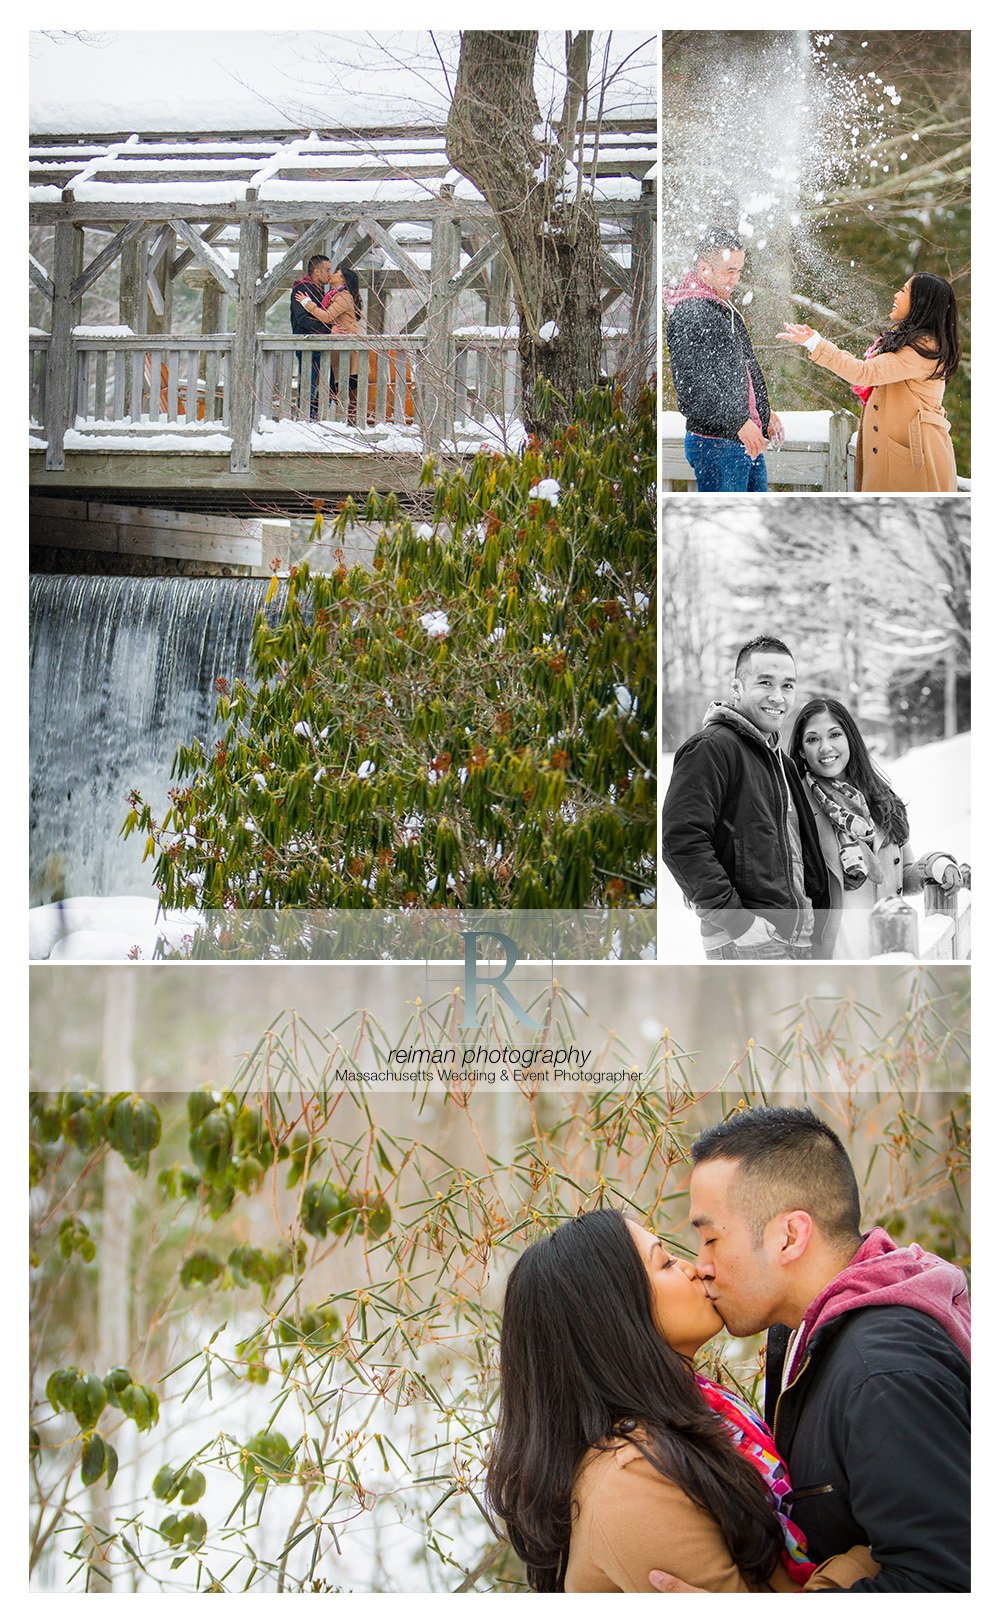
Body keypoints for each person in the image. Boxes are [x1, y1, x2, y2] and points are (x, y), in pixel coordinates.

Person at [653, 1106, 970, 1593]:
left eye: (712, 1238)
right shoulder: (805, 1335)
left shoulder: (882, 1372)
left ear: (790, 1236)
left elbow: (945, 1585)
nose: (703, 1265)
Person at [486, 1207, 875, 1592]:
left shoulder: (701, 1412)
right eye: (667, 1263)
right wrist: (874, 1553)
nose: (696, 1268)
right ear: (614, 1314)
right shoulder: (631, 1480)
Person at [661, 635, 829, 960]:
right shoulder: (712, 748)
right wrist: (738, 923)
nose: (778, 697)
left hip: (797, 942)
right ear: (736, 688)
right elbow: (681, 840)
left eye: (788, 685)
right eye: (765, 683)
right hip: (749, 943)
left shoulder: (783, 763)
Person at [788, 696, 966, 958]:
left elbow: (902, 875)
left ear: (850, 738)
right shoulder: (796, 806)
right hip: (835, 957)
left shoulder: (881, 799)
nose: (825, 747)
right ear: (802, 751)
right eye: (812, 739)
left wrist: (934, 864)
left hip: (889, 951)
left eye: (834, 734)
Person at [776, 272, 961, 491]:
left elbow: (862, 373)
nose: (896, 295)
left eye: (903, 291)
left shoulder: (922, 350)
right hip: (904, 458)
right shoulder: (912, 344)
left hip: (914, 463)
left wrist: (816, 344)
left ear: (920, 303)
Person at [665, 228, 784, 493]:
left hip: (741, 438)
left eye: (739, 271)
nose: (735, 279)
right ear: (704, 268)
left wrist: (761, 413)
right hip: (718, 444)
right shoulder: (691, 313)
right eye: (730, 271)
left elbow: (737, 374)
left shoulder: (718, 307)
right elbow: (693, 390)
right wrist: (739, 422)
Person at [294, 262, 364, 424]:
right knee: (336, 385)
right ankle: (323, 417)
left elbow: (326, 316)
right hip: (339, 349)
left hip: (347, 349)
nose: (331, 274)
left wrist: (307, 303)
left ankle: (350, 421)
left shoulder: (343, 296)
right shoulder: (335, 295)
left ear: (343, 280)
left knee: (347, 385)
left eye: (336, 273)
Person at [290, 253, 336, 420]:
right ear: (317, 271)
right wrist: (329, 330)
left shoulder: (316, 289)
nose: (330, 274)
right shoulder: (302, 288)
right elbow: (302, 319)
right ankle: (305, 416)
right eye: (328, 270)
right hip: (308, 341)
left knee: (328, 383)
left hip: (318, 342)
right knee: (309, 382)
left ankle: (312, 414)